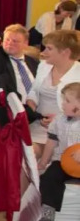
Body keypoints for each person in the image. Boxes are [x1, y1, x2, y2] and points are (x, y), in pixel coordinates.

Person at [30, 82, 80, 221]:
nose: (63, 104)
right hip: (63, 163)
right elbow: (52, 142)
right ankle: (48, 219)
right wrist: (43, 162)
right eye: (63, 100)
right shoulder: (59, 120)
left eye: (67, 101)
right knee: (49, 178)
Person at [25, 30, 80, 158]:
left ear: (65, 52)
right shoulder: (43, 66)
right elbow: (34, 91)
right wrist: (31, 102)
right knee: (25, 158)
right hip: (37, 126)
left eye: (49, 48)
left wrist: (59, 119)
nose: (43, 52)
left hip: (66, 132)